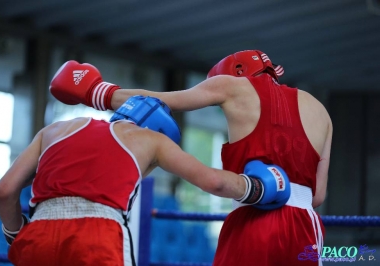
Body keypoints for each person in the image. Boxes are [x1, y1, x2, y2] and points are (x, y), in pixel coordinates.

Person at [49, 50, 333, 266]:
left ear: (237, 72)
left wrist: (96, 92)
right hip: (306, 227)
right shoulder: (320, 110)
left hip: (253, 220)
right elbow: (317, 195)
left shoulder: (233, 86)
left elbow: (157, 101)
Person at [0, 94, 291, 266]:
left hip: (38, 235)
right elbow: (213, 182)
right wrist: (259, 186)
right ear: (159, 131)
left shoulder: (57, 129)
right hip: (96, 236)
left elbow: (5, 191)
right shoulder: (151, 141)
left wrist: (15, 233)